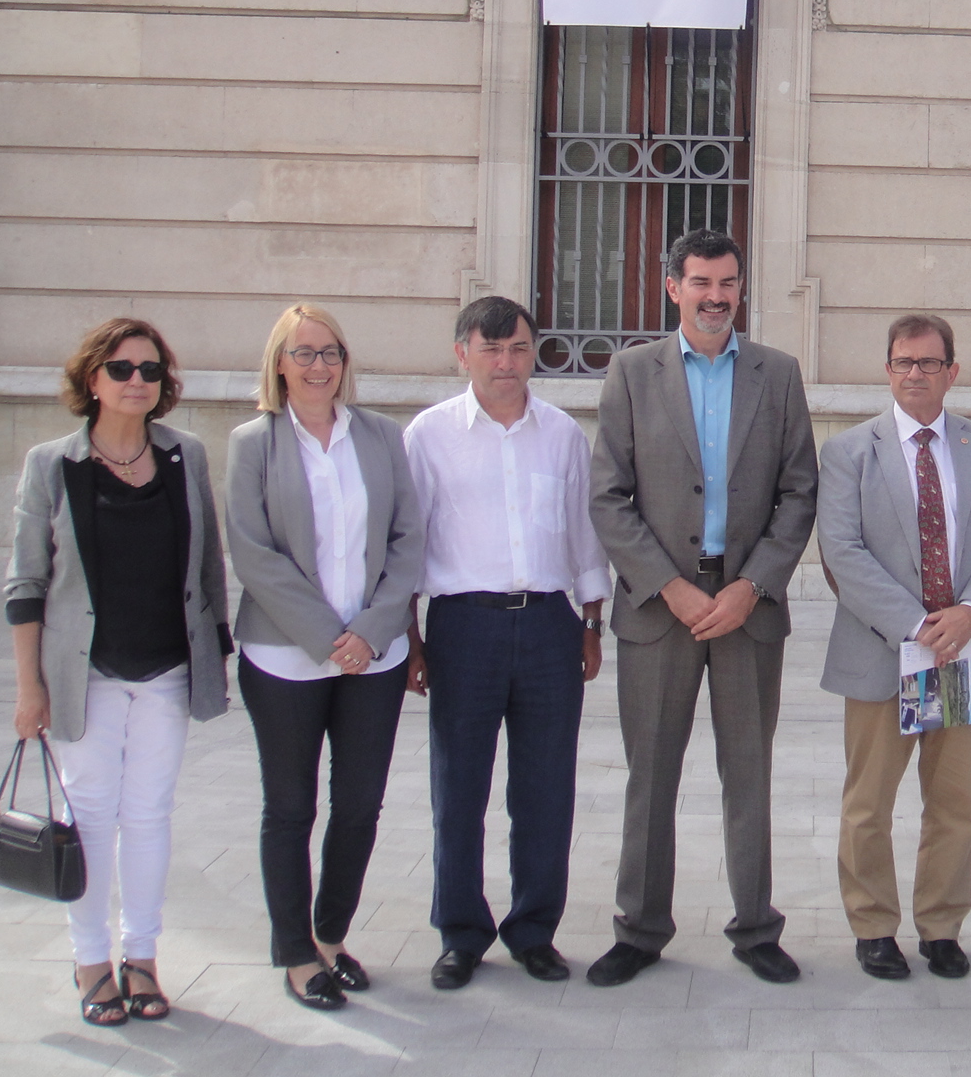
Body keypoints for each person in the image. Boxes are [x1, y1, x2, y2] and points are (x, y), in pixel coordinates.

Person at [586, 229, 818, 987]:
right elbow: (609, 497)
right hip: (662, 610)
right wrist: (672, 586)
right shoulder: (630, 373)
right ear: (672, 287)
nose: (716, 297)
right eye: (701, 283)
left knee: (747, 773)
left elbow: (798, 493)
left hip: (748, 606)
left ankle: (756, 927)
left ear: (740, 289)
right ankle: (641, 928)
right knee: (651, 776)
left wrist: (751, 585)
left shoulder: (778, 375)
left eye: (728, 284)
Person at [6, 319, 232, 1027]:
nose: (138, 380)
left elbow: (206, 564)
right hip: (85, 674)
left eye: (152, 370)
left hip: (165, 667)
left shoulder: (183, 456)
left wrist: (214, 658)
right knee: (91, 816)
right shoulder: (52, 465)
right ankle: (90, 962)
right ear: (92, 379)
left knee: (149, 815)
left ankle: (141, 958)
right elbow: (25, 583)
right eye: (123, 368)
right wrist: (28, 688)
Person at [403, 297, 610, 990]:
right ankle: (460, 933)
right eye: (490, 349)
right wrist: (409, 633)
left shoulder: (561, 435)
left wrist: (590, 619)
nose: (505, 363)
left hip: (550, 625)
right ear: (462, 352)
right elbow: (409, 543)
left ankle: (533, 929)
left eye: (518, 348)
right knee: (458, 789)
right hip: (464, 626)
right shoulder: (428, 436)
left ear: (534, 352)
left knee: (546, 790)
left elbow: (583, 533)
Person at [226, 304, 425, 1011]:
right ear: (279, 363)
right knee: (290, 807)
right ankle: (293, 952)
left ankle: (331, 937)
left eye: (331, 352)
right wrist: (324, 635)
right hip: (285, 656)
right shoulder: (255, 442)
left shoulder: (379, 436)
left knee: (360, 806)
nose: (319, 365)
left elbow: (409, 540)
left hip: (374, 657)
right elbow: (253, 553)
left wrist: (370, 630)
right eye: (304, 353)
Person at [817, 313, 971, 981]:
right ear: (887, 369)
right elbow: (841, 551)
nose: (915, 374)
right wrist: (915, 623)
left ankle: (941, 927)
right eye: (903, 362)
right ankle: (874, 926)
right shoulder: (849, 452)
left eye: (929, 363)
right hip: (885, 650)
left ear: (951, 372)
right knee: (869, 804)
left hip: (963, 651)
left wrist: (970, 612)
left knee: (955, 802)